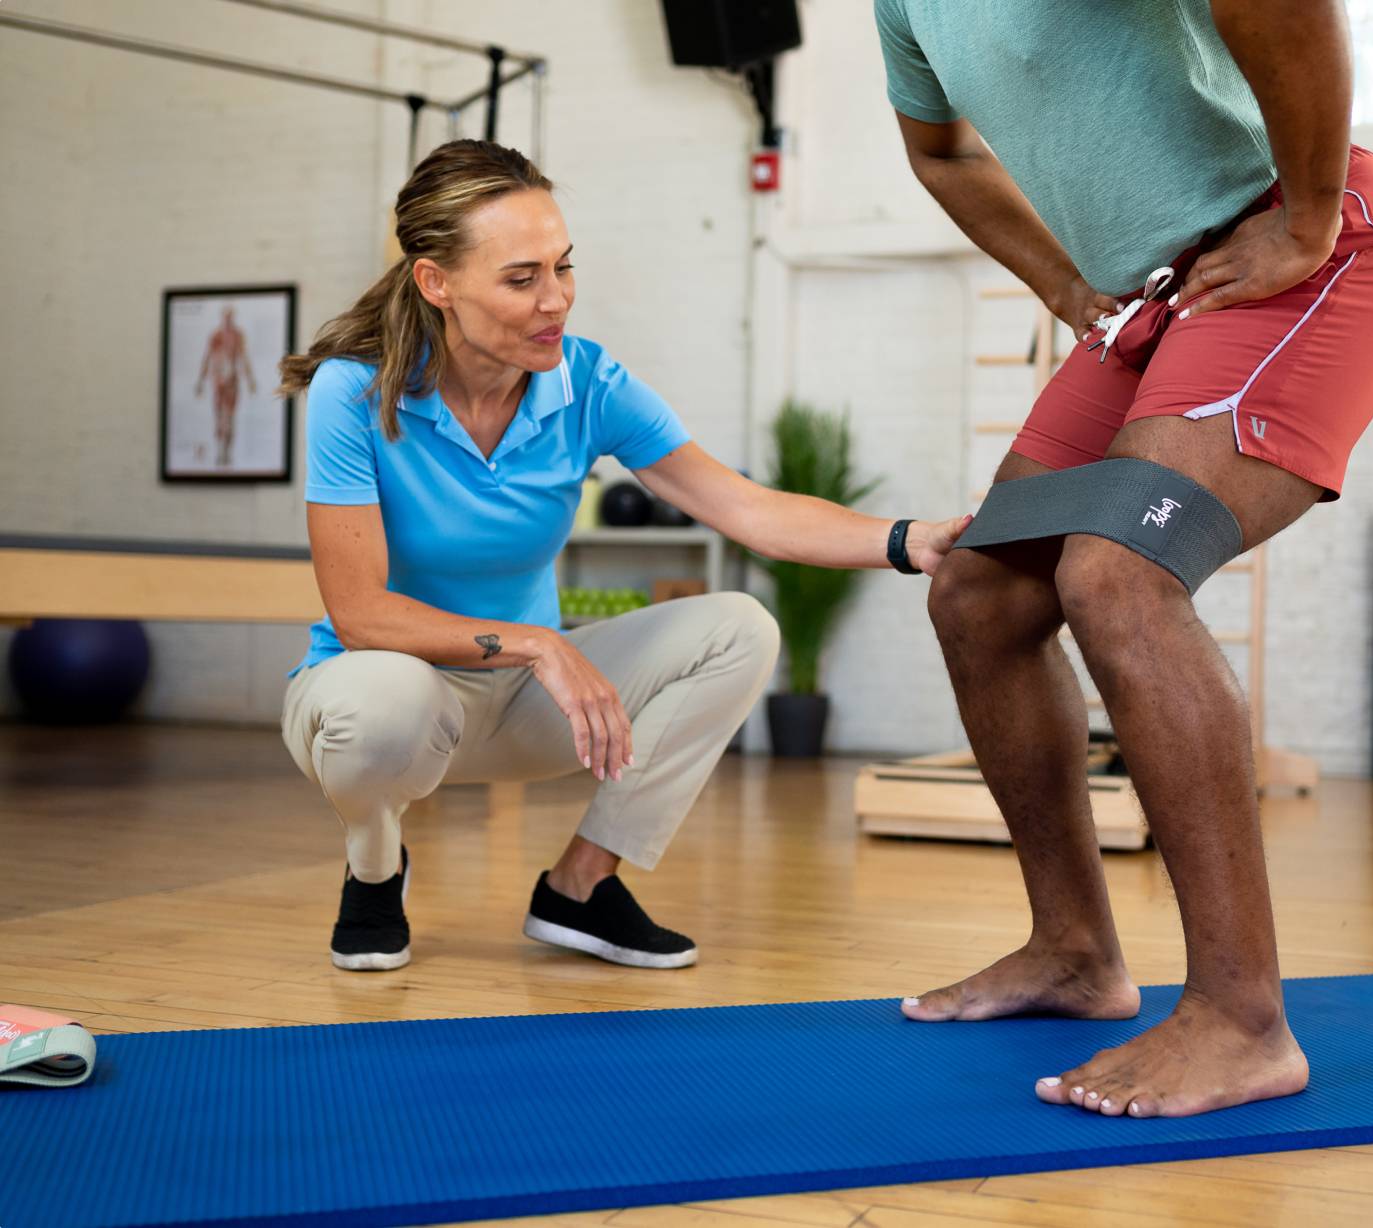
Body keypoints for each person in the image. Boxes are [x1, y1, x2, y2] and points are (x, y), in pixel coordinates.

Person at [875, 0, 1373, 1117]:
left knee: (1115, 573)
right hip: (1159, 297)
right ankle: (1073, 950)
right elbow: (938, 153)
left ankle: (1242, 1017)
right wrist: (1059, 280)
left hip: (1300, 250)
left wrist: (1309, 215)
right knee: (980, 593)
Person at [277, 139, 968, 972]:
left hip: (526, 705)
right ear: (436, 283)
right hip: (385, 698)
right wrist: (539, 641)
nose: (555, 301)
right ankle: (375, 867)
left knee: (739, 628)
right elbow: (360, 614)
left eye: (563, 268)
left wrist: (909, 540)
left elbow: (744, 507)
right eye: (521, 278)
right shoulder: (353, 391)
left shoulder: (588, 384)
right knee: (384, 698)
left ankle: (580, 886)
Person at [195, 307, 256, 467]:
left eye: (230, 316)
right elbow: (208, 357)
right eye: (226, 316)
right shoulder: (216, 335)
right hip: (218, 381)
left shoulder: (237, 336)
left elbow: (243, 357)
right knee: (219, 417)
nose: (228, 319)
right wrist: (200, 381)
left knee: (229, 417)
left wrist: (250, 380)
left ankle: (227, 454)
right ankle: (220, 452)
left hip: (232, 381)